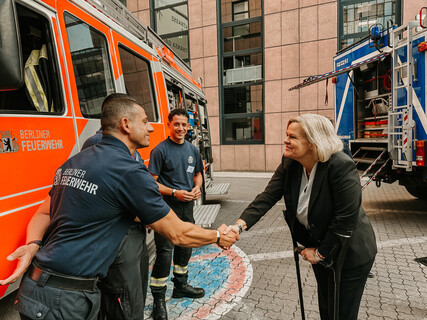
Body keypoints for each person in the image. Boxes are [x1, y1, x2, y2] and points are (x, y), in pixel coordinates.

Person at [0, 95, 238, 320]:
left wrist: (32, 244)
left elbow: (43, 212)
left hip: (35, 289)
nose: (151, 128)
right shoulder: (129, 171)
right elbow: (178, 232)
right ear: (126, 124)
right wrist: (218, 235)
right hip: (65, 300)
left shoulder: (74, 160)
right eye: (145, 121)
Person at [224, 114, 377, 320]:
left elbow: (346, 219)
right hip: (319, 247)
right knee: (328, 309)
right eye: (287, 135)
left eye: (293, 137)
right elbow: (267, 196)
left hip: (348, 252)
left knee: (341, 313)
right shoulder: (290, 162)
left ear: (314, 142)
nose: (286, 140)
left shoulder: (340, 165)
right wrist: (239, 226)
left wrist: (321, 254)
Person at [81, 93, 149, 320]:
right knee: (123, 300)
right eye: (144, 121)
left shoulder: (128, 146)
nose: (148, 127)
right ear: (123, 120)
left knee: (136, 292)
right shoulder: (98, 144)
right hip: (120, 236)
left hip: (135, 233)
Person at [148, 108, 204, 320]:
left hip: (186, 207)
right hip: (165, 208)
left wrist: (197, 188)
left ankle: (180, 286)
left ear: (188, 126)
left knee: (185, 247)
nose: (180, 128)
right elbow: (151, 182)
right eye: (176, 124)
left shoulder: (193, 150)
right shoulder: (160, 150)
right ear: (169, 125)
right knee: (164, 253)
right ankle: (159, 301)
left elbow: (198, 174)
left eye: (184, 124)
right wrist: (174, 192)